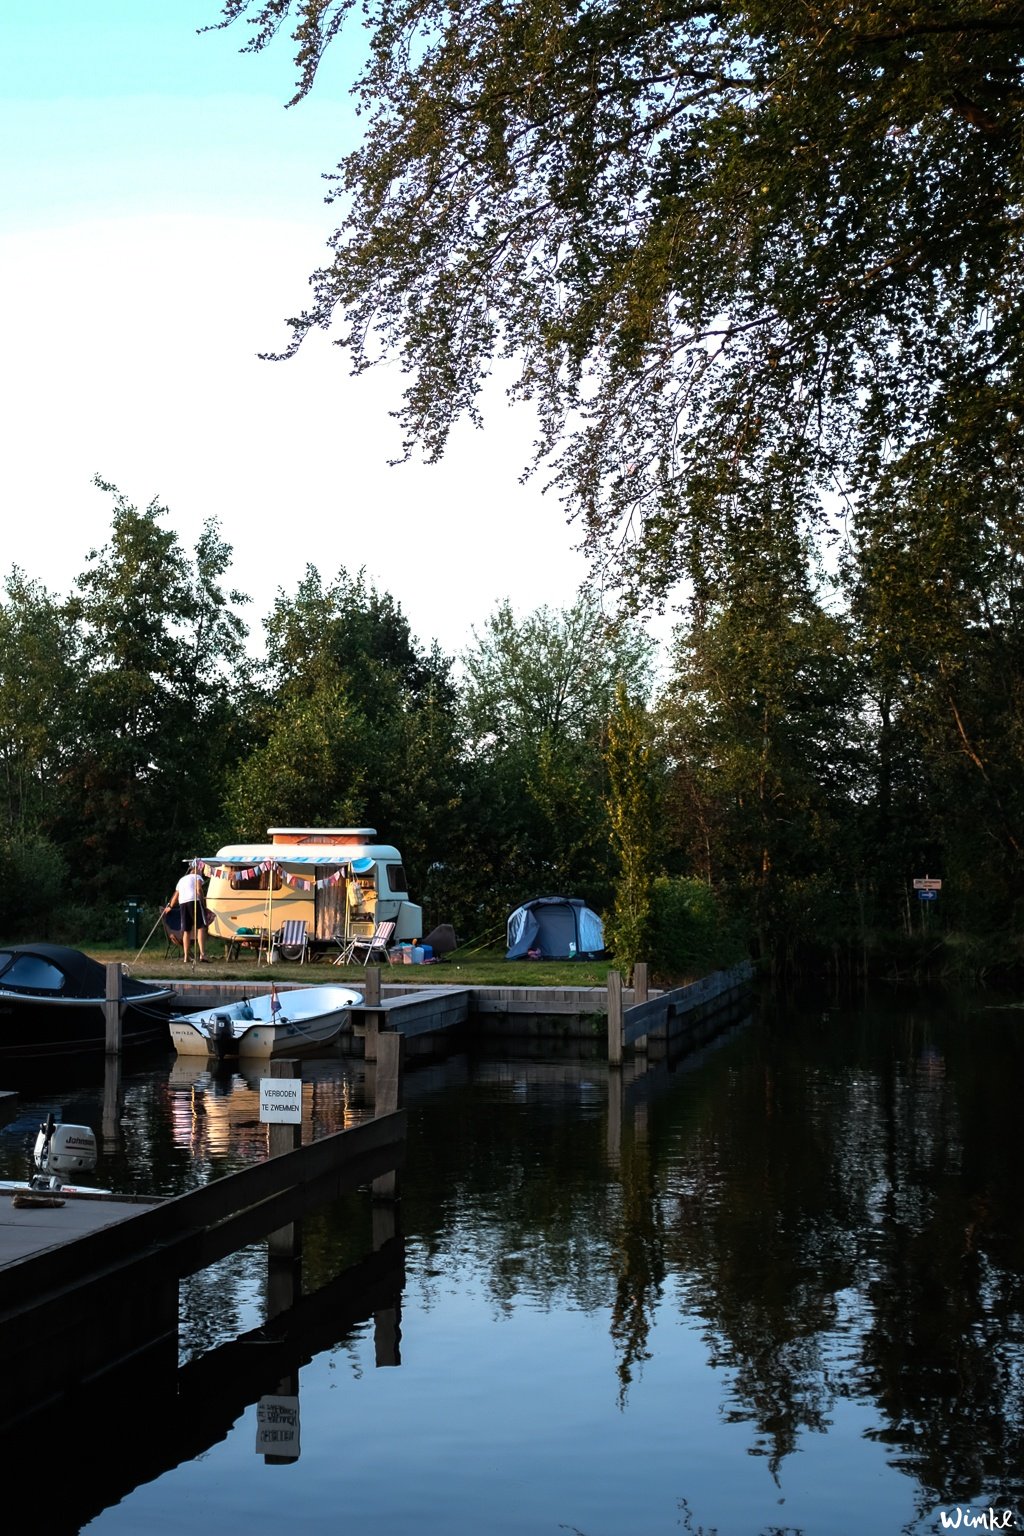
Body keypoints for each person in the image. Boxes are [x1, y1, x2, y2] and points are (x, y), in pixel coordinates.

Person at [164, 861, 211, 963]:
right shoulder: (197, 876)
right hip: (194, 901)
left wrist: (170, 907)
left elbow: (175, 896)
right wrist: (203, 903)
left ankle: (186, 956)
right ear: (196, 870)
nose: (201, 873)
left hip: (183, 903)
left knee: (186, 929)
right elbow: (198, 890)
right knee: (201, 927)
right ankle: (202, 955)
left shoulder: (181, 880)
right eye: (201, 871)